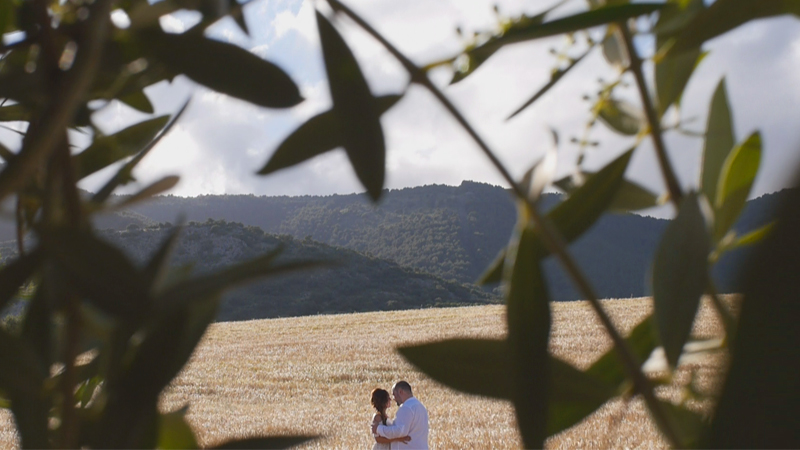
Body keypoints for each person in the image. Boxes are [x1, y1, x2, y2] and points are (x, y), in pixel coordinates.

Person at [372, 381, 429, 449]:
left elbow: (400, 431)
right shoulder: (420, 406)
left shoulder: (406, 407)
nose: (394, 398)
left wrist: (378, 429)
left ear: (400, 392)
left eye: (394, 395)